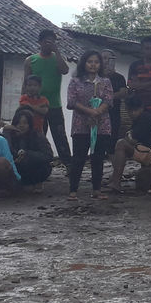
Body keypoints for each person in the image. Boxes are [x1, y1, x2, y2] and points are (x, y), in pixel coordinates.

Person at [66, 49, 114, 200]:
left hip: (102, 125)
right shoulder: (75, 81)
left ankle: (97, 190)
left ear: (100, 64)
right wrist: (89, 112)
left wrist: (98, 111)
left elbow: (109, 100)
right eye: (90, 62)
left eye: (96, 62)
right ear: (84, 63)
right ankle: (73, 190)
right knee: (79, 157)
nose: (93, 65)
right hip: (81, 124)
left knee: (98, 157)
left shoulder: (105, 82)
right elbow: (72, 102)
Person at [24, 28, 70, 165]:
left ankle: (68, 165)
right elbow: (25, 82)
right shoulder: (30, 60)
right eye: (46, 41)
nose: (48, 44)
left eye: (52, 42)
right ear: (40, 42)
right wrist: (23, 102)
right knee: (37, 136)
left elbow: (65, 70)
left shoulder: (58, 58)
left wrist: (57, 51)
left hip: (54, 105)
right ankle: (39, 164)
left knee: (60, 137)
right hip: (35, 105)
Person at [107, 95, 151, 191]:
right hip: (144, 149)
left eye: (134, 110)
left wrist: (131, 137)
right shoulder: (139, 118)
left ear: (141, 108)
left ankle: (116, 182)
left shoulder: (145, 117)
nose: (132, 113)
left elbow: (132, 138)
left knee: (121, 144)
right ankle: (115, 180)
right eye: (130, 110)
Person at [3, 106, 53, 188]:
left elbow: (48, 155)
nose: (21, 126)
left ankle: (37, 182)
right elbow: (6, 151)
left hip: (34, 168)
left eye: (25, 123)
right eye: (18, 123)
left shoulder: (37, 136)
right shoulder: (9, 135)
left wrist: (28, 154)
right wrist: (7, 133)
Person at [102, 49, 127, 140]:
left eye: (108, 59)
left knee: (112, 140)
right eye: (103, 58)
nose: (105, 61)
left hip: (113, 113)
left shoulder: (119, 77)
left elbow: (123, 92)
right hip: (97, 114)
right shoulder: (96, 76)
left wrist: (107, 97)